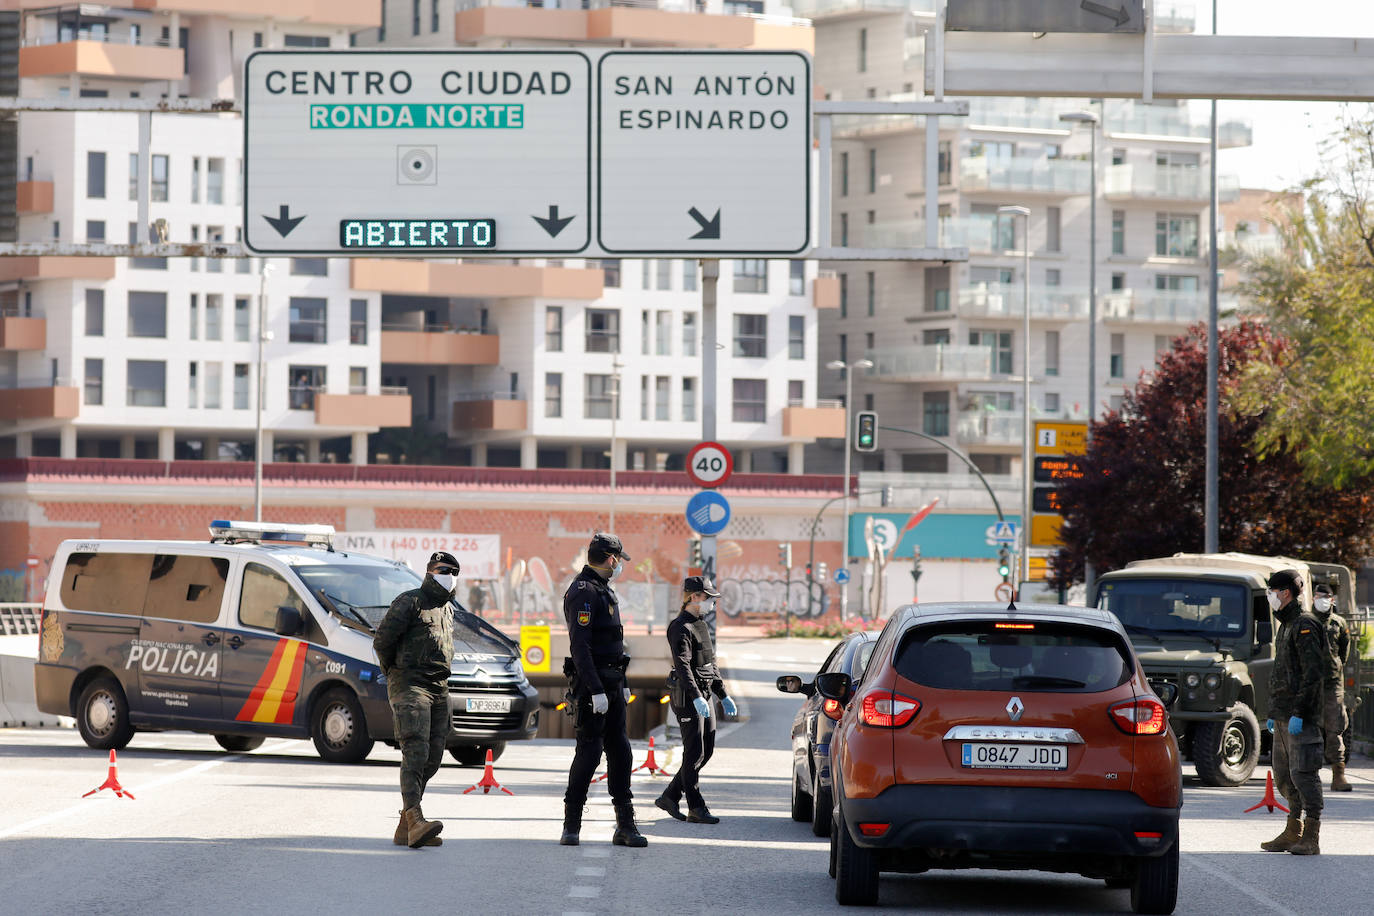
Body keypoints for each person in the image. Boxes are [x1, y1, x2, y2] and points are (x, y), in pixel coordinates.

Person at [559, 533, 646, 848]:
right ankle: (571, 826)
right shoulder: (583, 592)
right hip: (591, 686)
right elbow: (580, 647)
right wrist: (595, 689)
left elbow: (615, 647)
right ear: (611, 559)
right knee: (590, 752)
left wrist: (623, 684)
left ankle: (625, 825)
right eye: (619, 560)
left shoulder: (603, 590)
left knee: (621, 752)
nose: (620, 566)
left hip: (612, 682)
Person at [373, 551, 460, 849]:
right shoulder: (409, 601)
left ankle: (406, 827)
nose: (450, 576)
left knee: (433, 756)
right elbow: (382, 641)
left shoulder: (448, 609)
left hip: (439, 686)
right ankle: (415, 819)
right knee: (415, 750)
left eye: (454, 572)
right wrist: (394, 672)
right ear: (430, 572)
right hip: (410, 684)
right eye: (444, 570)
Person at [1260, 569, 1335, 855]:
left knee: (1304, 774)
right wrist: (1274, 711)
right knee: (1284, 776)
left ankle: (1311, 835)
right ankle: (1293, 831)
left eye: (1272, 591)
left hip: (1301, 716)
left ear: (1285, 593)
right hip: (1283, 715)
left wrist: (1301, 712)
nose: (1270, 596)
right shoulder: (1286, 624)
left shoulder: (1305, 624)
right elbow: (1284, 672)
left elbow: (1313, 673)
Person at [656, 576, 737, 825]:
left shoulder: (701, 625)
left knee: (706, 750)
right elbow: (683, 666)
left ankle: (670, 796)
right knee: (694, 753)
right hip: (688, 696)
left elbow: (711, 663)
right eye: (708, 598)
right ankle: (695, 806)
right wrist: (696, 697)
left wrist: (723, 694)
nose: (712, 603)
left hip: (705, 693)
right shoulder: (679, 627)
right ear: (694, 597)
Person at [1312, 582, 1353, 792]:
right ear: (1313, 598)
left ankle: (1338, 775)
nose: (1321, 600)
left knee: (1335, 728)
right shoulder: (1305, 621)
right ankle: (1309, 777)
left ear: (1332, 600)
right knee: (1308, 729)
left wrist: (1335, 666)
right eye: (1318, 596)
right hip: (1309, 683)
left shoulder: (1339, 623)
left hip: (1332, 683)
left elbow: (1344, 652)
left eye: (1325, 597)